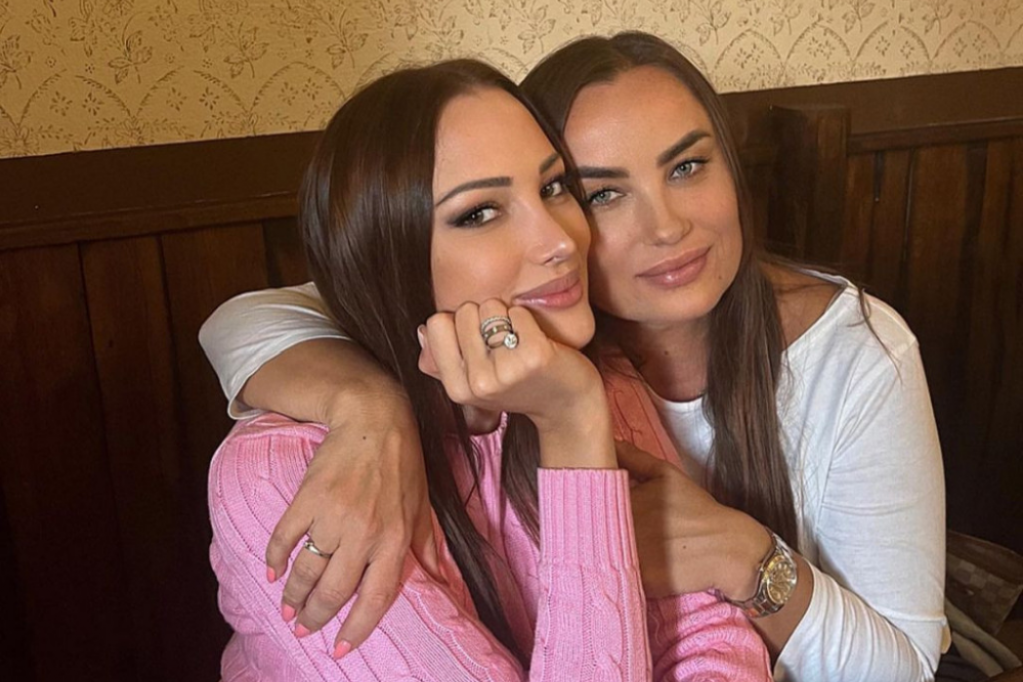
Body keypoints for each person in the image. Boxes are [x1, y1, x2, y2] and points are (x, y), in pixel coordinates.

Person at [201, 33, 947, 682]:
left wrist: (745, 558)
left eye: (554, 188)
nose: (561, 238)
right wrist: (368, 407)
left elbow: (737, 653)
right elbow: (248, 317)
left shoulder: (601, 377)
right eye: (600, 193)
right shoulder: (299, 470)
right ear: (385, 253)